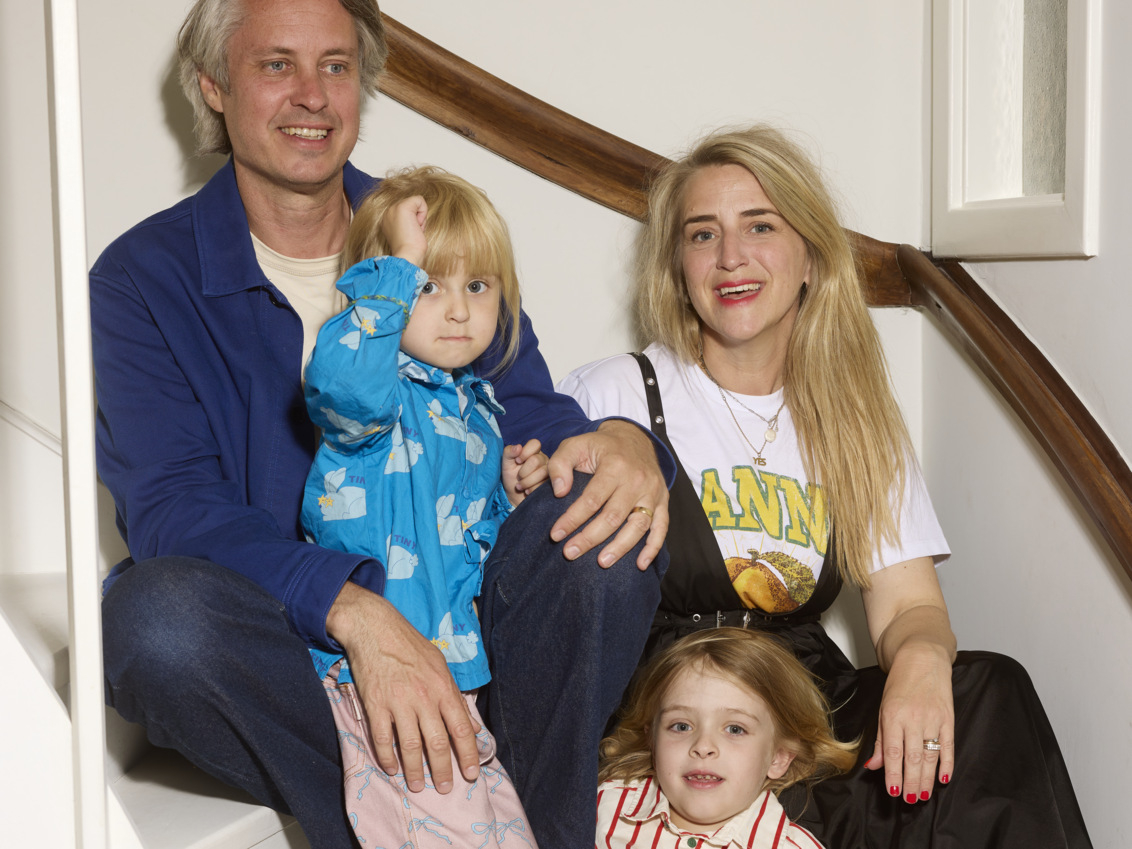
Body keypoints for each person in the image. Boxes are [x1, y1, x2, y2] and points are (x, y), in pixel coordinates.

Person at [90, 2, 669, 847]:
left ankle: (510, 806)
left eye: (335, 65)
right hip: (296, 660)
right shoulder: (141, 279)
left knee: (604, 531)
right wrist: (356, 614)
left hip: (475, 642)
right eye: (276, 65)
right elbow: (174, 510)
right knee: (154, 623)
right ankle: (450, 803)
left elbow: (533, 414)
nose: (313, 95)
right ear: (214, 86)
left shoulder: (438, 230)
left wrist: (621, 441)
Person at [559, 125, 1092, 847]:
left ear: (809, 256)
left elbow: (909, 605)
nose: (731, 257)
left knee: (989, 692)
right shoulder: (616, 393)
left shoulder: (854, 418)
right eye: (702, 234)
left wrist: (924, 658)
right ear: (678, 267)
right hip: (669, 710)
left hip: (797, 701)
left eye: (760, 226)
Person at [303, 166, 547, 845]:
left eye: (477, 285)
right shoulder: (377, 396)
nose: (459, 310)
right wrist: (394, 278)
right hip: (375, 674)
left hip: (454, 669)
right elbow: (341, 386)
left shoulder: (477, 408)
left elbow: (471, 548)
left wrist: (511, 500)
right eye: (430, 286)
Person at [596, 628, 856, 848]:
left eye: (735, 729)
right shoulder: (601, 809)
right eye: (681, 726)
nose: (703, 747)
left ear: (779, 757)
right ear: (651, 740)